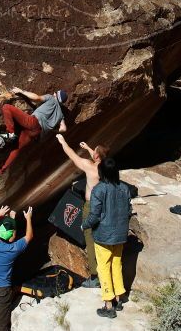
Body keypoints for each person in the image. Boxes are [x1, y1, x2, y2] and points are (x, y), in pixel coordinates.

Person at [56, 134, 109, 288]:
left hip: (91, 206)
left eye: (95, 152)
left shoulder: (89, 166)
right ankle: (106, 269)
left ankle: (95, 276)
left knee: (90, 239)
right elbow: (98, 156)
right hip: (104, 206)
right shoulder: (106, 167)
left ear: (97, 156)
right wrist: (88, 148)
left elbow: (72, 156)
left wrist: (63, 141)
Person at [81, 157, 132, 319]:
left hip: (103, 236)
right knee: (116, 264)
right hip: (120, 235)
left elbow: (94, 215)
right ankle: (119, 298)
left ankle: (108, 304)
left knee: (103, 267)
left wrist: (85, 225)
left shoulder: (99, 189)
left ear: (101, 172)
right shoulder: (124, 188)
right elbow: (128, 211)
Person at [0, 87, 68, 176]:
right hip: (36, 133)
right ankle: (1, 171)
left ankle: (10, 133)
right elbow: (63, 128)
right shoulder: (60, 115)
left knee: (6, 107)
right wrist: (52, 129)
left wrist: (21, 91)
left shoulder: (51, 98)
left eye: (55, 92)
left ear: (56, 95)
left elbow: (36, 98)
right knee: (16, 148)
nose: (53, 93)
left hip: (32, 122)